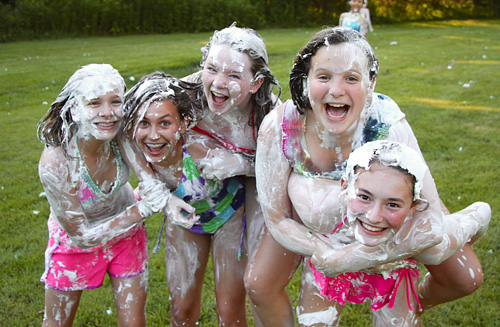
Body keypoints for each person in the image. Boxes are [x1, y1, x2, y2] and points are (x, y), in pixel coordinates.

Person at [253, 27, 490, 326]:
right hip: (321, 219)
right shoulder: (280, 127)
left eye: (351, 78)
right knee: (265, 280)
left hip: (386, 213)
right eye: (324, 76)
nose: (336, 90)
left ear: (371, 82)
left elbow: (429, 226)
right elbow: (276, 220)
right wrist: (326, 254)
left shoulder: (386, 123)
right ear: (306, 79)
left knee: (456, 268)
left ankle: (475, 217)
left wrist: (354, 257)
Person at [36, 64, 174, 326]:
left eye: (115, 102)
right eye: (95, 103)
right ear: (74, 110)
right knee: (57, 322)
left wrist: (169, 200)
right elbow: (82, 236)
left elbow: (150, 182)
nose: (108, 113)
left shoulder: (118, 133)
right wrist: (141, 210)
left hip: (127, 237)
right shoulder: (57, 162)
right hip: (74, 246)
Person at [123, 71, 254, 326]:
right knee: (181, 310)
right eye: (144, 123)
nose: (153, 135)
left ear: (182, 125)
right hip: (186, 220)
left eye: (164, 123)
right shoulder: (138, 150)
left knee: (229, 310)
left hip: (230, 215)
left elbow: (254, 165)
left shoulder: (198, 150)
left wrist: (234, 164)